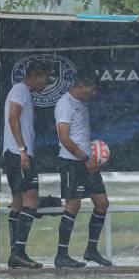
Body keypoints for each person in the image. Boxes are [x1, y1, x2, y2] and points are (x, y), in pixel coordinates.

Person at [53, 69, 112, 268]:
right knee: (73, 205)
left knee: (102, 202)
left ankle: (91, 250)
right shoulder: (64, 104)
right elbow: (64, 138)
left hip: (88, 162)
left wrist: (93, 156)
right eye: (92, 89)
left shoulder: (82, 105)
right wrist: (85, 158)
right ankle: (61, 255)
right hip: (72, 162)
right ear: (80, 86)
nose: (94, 93)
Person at [2, 61, 52, 269]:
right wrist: (22, 150)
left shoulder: (23, 91)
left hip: (13, 154)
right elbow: (13, 117)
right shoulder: (21, 90)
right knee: (31, 202)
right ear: (37, 76)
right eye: (46, 79)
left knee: (17, 202)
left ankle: (15, 252)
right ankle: (19, 252)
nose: (47, 84)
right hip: (18, 154)